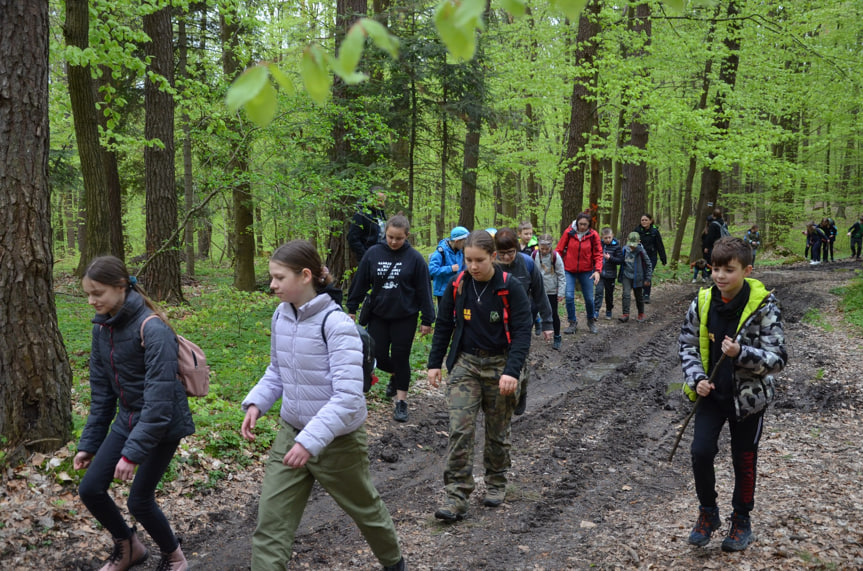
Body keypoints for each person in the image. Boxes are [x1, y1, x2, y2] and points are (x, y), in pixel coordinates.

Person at [241, 241, 405, 571]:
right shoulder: (280, 315)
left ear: (305, 276)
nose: (271, 284)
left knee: (366, 511)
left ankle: (394, 564)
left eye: (278, 277)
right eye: (271, 277)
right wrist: (257, 403)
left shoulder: (337, 325)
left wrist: (309, 441)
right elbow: (277, 370)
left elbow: (348, 398)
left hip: (339, 442)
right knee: (271, 525)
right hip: (292, 433)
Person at [74, 256, 194, 571]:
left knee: (139, 500)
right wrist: (89, 443)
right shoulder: (102, 328)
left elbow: (158, 403)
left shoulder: (153, 328)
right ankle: (130, 548)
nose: (91, 300)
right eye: (88, 293)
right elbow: (102, 395)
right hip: (128, 419)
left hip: (163, 425)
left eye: (97, 292)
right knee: (90, 489)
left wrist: (132, 454)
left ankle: (175, 558)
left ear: (121, 286)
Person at [679, 237, 786, 552]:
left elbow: (778, 358)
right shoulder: (702, 302)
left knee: (744, 457)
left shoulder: (764, 306)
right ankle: (707, 512)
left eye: (729, 269)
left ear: (747, 270)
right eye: (715, 268)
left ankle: (741, 519)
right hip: (710, 396)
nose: (720, 276)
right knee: (700, 452)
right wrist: (696, 377)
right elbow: (686, 344)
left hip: (749, 400)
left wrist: (742, 353)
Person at [427, 230, 533, 521]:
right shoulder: (457, 285)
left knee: (497, 431)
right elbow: (444, 326)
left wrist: (512, 372)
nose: (473, 266)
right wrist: (434, 363)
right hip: (467, 364)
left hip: (501, 363)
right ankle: (456, 495)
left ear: (494, 258)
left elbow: (523, 332)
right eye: (468, 259)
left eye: (479, 261)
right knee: (460, 429)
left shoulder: (510, 288)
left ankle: (497, 481)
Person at [348, 214, 436, 422]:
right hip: (378, 314)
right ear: (385, 233)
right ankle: (397, 374)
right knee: (376, 355)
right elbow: (360, 282)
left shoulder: (415, 259)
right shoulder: (373, 253)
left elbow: (424, 289)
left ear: (407, 236)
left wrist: (427, 319)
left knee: (400, 356)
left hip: (405, 316)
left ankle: (401, 401)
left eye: (399, 238)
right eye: (390, 237)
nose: (394, 242)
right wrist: (352, 307)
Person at [495, 227, 553, 416]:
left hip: (522, 321)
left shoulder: (527, 264)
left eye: (510, 253)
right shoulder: (491, 266)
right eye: (501, 253)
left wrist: (547, 323)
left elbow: (539, 293)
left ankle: (522, 389)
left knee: (520, 359)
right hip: (495, 322)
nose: (505, 258)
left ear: (517, 249)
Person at [555, 213, 602, 335]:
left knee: (589, 299)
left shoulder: (593, 235)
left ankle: (591, 321)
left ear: (589, 225)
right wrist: (554, 265)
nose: (582, 227)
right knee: (569, 296)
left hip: (587, 270)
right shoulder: (569, 232)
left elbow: (598, 254)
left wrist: (597, 271)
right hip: (568, 269)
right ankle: (572, 322)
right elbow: (559, 250)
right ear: (577, 223)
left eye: (585, 224)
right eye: (580, 224)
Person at [532, 234, 566, 349]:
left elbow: (561, 275)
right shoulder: (534, 255)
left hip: (551, 291)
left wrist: (561, 292)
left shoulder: (556, 257)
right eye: (542, 248)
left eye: (547, 249)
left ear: (551, 247)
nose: (544, 251)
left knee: (553, 314)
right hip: (536, 291)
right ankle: (525, 337)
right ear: (539, 246)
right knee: (531, 313)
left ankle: (557, 337)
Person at [429, 225, 470, 306]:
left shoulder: (460, 251)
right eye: (464, 241)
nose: (466, 244)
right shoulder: (440, 252)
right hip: (443, 291)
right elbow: (431, 270)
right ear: (457, 241)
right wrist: (450, 268)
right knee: (445, 315)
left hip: (457, 288)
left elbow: (462, 268)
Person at [617, 232, 653, 323]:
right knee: (626, 294)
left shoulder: (641, 251)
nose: (632, 247)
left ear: (639, 242)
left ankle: (641, 313)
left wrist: (648, 278)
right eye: (631, 245)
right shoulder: (625, 249)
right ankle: (625, 314)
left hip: (638, 277)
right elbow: (620, 260)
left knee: (639, 296)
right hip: (626, 275)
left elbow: (649, 264)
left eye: (634, 245)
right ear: (627, 241)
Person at [347, 187, 387, 262]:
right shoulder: (361, 215)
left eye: (384, 201)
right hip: (368, 258)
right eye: (380, 201)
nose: (383, 204)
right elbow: (353, 239)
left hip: (381, 256)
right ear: (371, 199)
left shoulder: (381, 213)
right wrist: (365, 255)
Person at [634, 214, 667, 304]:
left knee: (647, 274)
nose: (644, 222)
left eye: (646, 220)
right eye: (642, 220)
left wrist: (663, 259)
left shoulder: (655, 231)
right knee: (641, 274)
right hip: (640, 256)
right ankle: (641, 292)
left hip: (651, 257)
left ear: (650, 221)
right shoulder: (637, 230)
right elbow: (631, 243)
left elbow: (660, 245)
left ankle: (646, 294)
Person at [593, 227, 623, 320]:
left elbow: (620, 260)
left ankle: (609, 310)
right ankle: (596, 311)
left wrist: (610, 258)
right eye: (605, 238)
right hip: (599, 274)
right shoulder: (598, 245)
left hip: (611, 274)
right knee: (598, 292)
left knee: (609, 294)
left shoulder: (616, 246)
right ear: (602, 237)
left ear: (612, 236)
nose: (608, 240)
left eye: (609, 237)